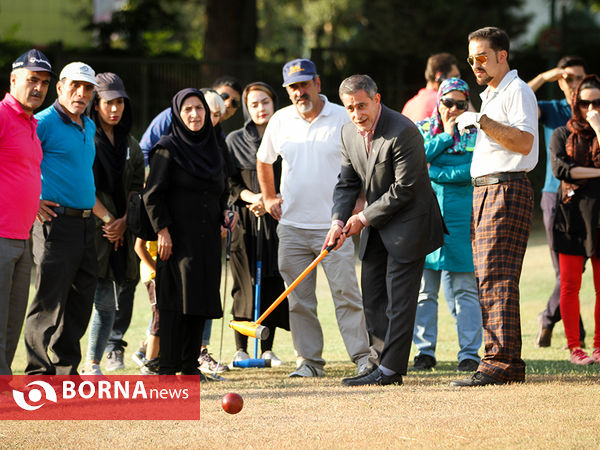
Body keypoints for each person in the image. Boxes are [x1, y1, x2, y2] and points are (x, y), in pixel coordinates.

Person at [323, 74, 445, 386]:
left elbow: (404, 189)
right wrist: (338, 220)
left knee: (399, 299)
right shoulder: (349, 133)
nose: (356, 114)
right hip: (377, 223)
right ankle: (376, 363)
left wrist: (362, 218)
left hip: (409, 223)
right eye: (350, 108)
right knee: (374, 297)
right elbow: (347, 182)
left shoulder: (403, 130)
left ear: (376, 100)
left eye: (362, 106)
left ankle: (390, 371)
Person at [257, 59, 371, 378]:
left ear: (318, 84)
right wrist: (268, 197)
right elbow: (264, 161)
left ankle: (363, 358)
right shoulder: (280, 121)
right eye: (293, 87)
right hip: (292, 227)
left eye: (305, 84)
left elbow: (362, 161)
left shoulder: (341, 117)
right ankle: (309, 362)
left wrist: (359, 203)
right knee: (299, 301)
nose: (299, 91)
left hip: (334, 225)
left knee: (346, 295)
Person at [451, 27, 538, 387]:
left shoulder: (517, 90)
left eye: (482, 57)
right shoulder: (494, 93)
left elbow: (523, 142)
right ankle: (506, 362)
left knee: (496, 277)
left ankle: (498, 363)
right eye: (471, 59)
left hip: (505, 187)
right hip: (488, 190)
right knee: (489, 276)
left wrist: (481, 121)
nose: (476, 65)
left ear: (502, 55)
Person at [143, 88, 235, 376]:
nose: (194, 114)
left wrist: (225, 211)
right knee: (174, 305)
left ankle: (189, 365)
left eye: (199, 109)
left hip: (207, 240)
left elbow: (223, 188)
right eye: (188, 110)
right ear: (177, 115)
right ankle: (168, 367)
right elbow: (152, 195)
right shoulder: (167, 148)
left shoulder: (215, 148)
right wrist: (163, 231)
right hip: (175, 240)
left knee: (199, 302)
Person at [24, 62, 99, 375]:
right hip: (54, 222)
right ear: (60, 87)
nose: (80, 93)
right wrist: (34, 198)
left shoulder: (89, 125)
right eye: (74, 86)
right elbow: (17, 162)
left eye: (87, 88)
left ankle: (67, 370)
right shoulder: (41, 122)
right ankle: (38, 374)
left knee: (81, 300)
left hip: (86, 224)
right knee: (49, 299)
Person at [411, 78, 482, 372]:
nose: (452, 109)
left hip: (464, 221)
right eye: (447, 102)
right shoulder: (423, 129)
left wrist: (437, 172)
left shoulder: (476, 131)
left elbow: (474, 169)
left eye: (460, 104)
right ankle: (424, 352)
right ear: (438, 101)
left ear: (468, 104)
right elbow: (415, 162)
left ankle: (469, 353)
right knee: (425, 291)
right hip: (427, 218)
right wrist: (446, 136)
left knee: (465, 290)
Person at [80, 73, 144, 375]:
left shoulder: (131, 143)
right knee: (77, 301)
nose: (114, 109)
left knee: (108, 300)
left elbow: (135, 186)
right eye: (108, 102)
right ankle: (61, 364)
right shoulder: (85, 136)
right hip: (90, 229)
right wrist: (108, 220)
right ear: (96, 104)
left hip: (120, 231)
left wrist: (123, 222)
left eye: (119, 102)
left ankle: (92, 363)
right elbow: (81, 185)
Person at [226, 82, 289, 365]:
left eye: (265, 102)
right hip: (245, 218)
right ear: (246, 108)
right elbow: (229, 182)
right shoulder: (234, 140)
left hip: (278, 216)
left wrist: (274, 199)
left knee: (274, 279)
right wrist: (254, 197)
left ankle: (266, 348)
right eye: (254, 104)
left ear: (274, 103)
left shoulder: (287, 135)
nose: (261, 108)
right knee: (244, 281)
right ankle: (240, 347)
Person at [528, 56, 588, 348]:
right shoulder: (552, 110)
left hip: (591, 196)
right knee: (564, 269)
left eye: (579, 77)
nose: (574, 83)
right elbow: (516, 102)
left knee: (580, 265)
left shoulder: (593, 110)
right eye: (568, 78)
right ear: (561, 82)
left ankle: (549, 317)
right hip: (555, 195)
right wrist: (544, 76)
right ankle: (576, 333)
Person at [0, 49, 53, 375]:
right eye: (32, 79)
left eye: (45, 82)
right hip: (1, 235)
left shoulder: (31, 122)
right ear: (14, 79)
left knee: (12, 321)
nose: (38, 87)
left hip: (22, 237)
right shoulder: (3, 116)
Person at [550, 74, 600, 365]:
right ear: (575, 103)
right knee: (570, 285)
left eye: (597, 102)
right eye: (584, 102)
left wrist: (597, 127)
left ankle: (598, 346)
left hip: (599, 217)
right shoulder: (561, 133)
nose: (590, 108)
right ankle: (574, 348)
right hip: (570, 216)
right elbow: (561, 170)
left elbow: (573, 171)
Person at [139, 77, 242, 163]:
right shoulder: (170, 116)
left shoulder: (219, 138)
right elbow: (145, 149)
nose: (227, 104)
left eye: (234, 102)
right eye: (224, 96)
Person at [401, 53, 461, 123]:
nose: (457, 82)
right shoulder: (443, 102)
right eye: (454, 77)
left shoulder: (409, 104)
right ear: (440, 76)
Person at [133, 236, 160, 375]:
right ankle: (149, 362)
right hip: (153, 272)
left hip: (167, 271)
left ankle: (145, 351)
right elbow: (139, 246)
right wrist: (157, 270)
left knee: (166, 316)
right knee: (159, 316)